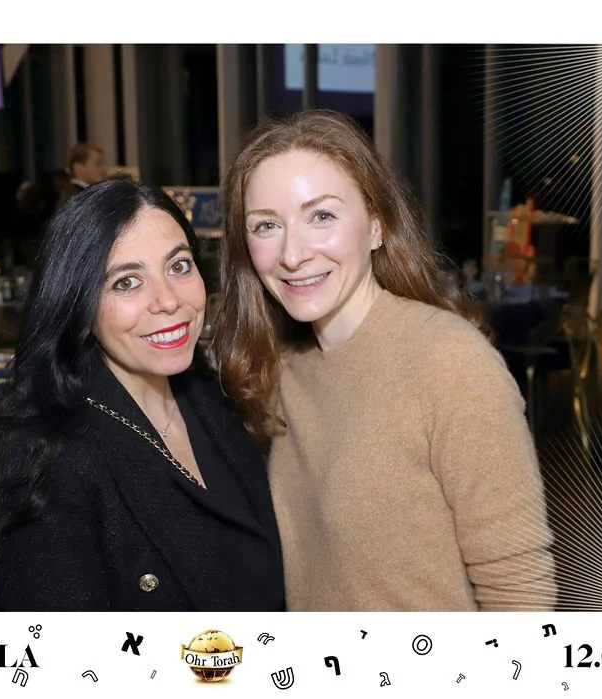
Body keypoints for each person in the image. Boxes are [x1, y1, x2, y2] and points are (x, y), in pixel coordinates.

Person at [211, 110, 556, 611]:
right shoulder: (282, 370)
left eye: (321, 216)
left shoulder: (448, 361)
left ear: (377, 224)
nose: (292, 254)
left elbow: (520, 592)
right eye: (266, 225)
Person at [0, 178, 285, 611]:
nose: (168, 300)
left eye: (179, 266)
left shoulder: (211, 396)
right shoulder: (44, 465)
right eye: (127, 282)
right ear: (79, 305)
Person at [56, 142, 108, 207]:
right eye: (98, 164)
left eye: (103, 163)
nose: (104, 169)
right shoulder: (77, 198)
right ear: (78, 167)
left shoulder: (74, 193)